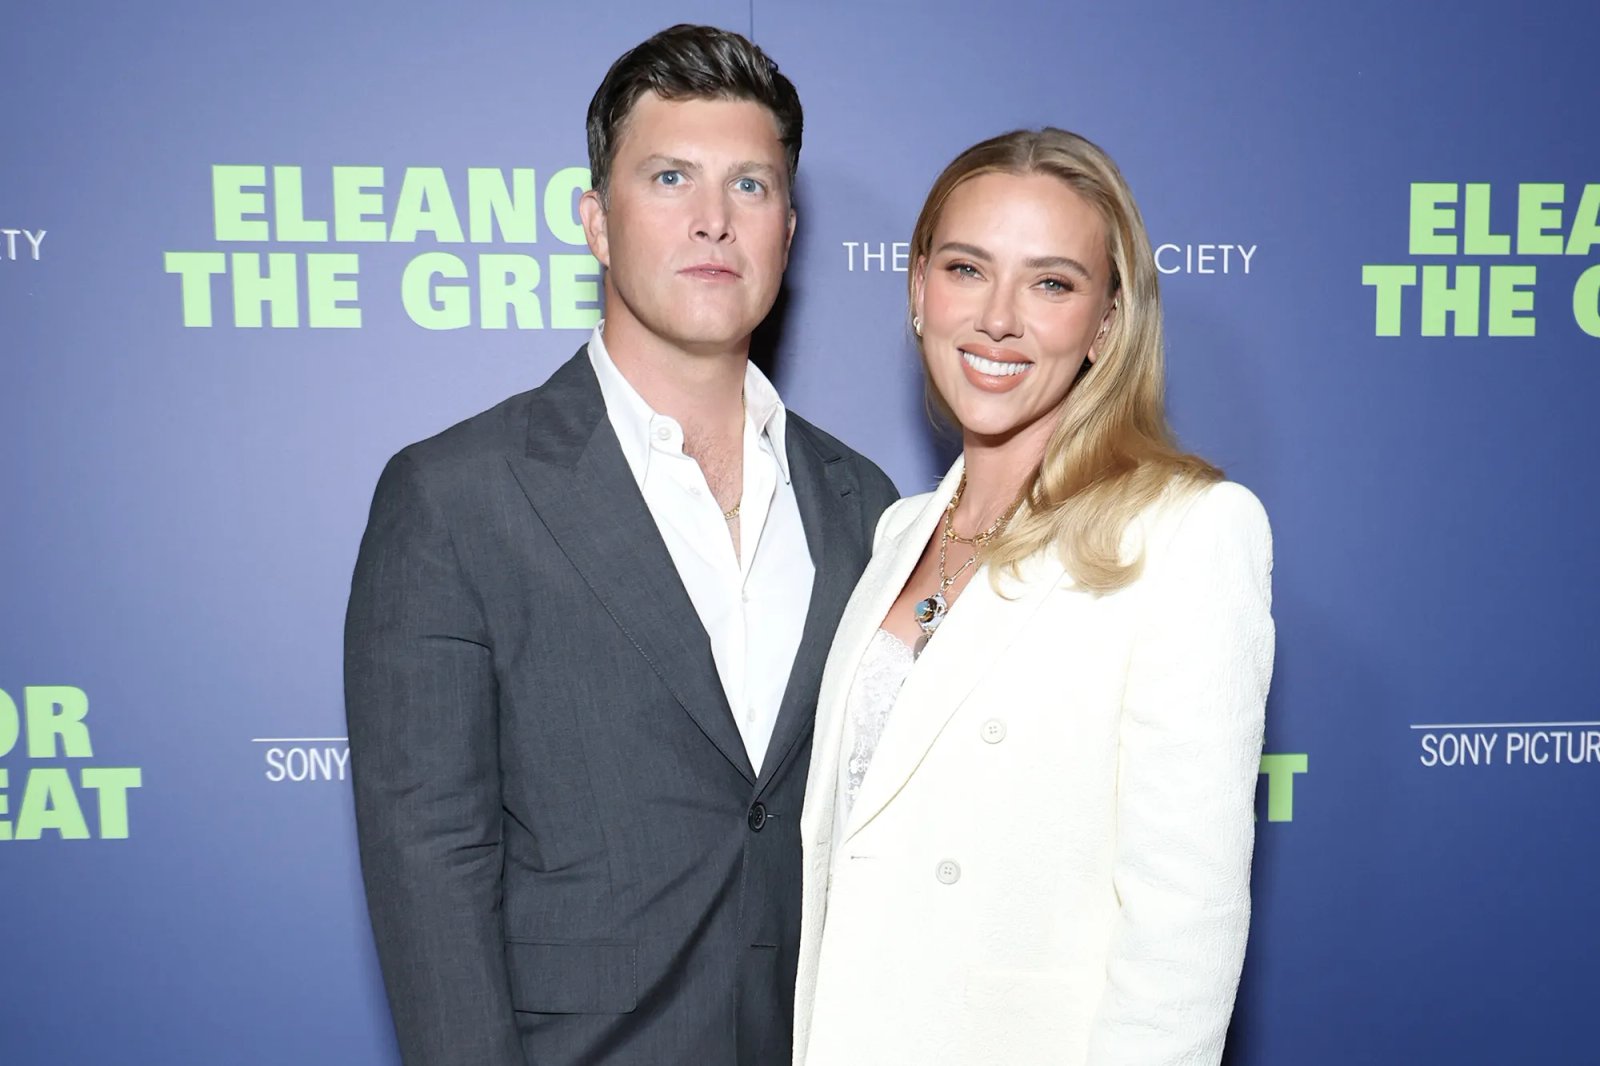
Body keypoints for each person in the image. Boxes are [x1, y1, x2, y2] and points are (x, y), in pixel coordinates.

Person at [345, 24, 897, 1066]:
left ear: (786, 226)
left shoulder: (864, 502)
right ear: (597, 223)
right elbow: (432, 869)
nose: (711, 221)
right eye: (670, 177)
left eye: (749, 186)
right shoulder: (456, 496)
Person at [792, 128, 1274, 1066]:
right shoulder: (898, 535)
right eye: (968, 269)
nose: (999, 318)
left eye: (1051, 283)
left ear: (1106, 322)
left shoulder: (1186, 530)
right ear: (919, 290)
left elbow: (1185, 925)